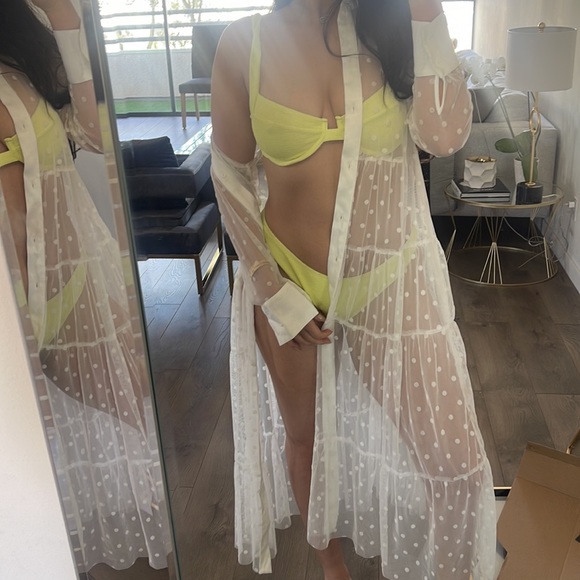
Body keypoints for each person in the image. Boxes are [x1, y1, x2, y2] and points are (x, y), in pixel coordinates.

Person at [211, 0, 497, 578]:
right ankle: (332, 569)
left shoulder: (391, 31)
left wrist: (426, 11)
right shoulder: (244, 44)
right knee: (305, 440)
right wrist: (270, 288)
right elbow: (229, 173)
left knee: (456, 465)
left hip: (385, 276)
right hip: (287, 278)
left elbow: (444, 138)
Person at [0, 0, 171, 572]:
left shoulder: (24, 40)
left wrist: (67, 21)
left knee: (136, 403)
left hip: (70, 283)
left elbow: (97, 135)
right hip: (15, 324)